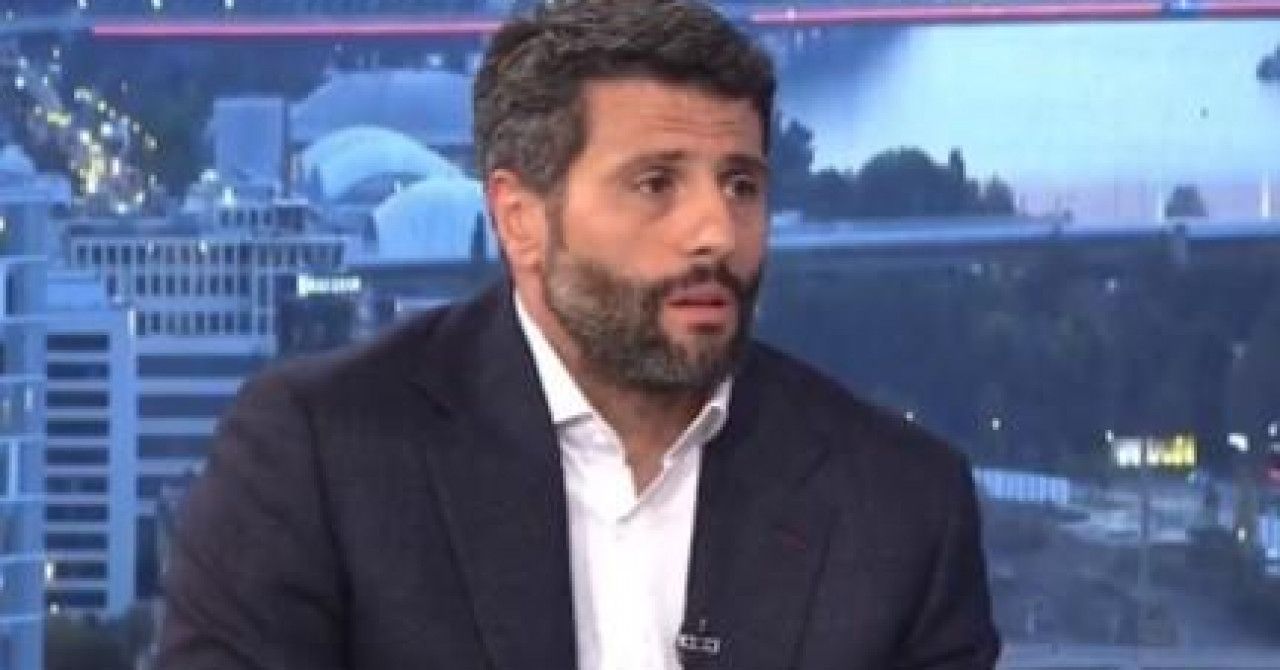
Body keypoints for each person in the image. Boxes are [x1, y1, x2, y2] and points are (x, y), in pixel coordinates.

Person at [155, 0, 1001, 668]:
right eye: (656, 183)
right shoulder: (321, 457)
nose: (716, 231)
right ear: (520, 219)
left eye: (741, 184)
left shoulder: (899, 504)